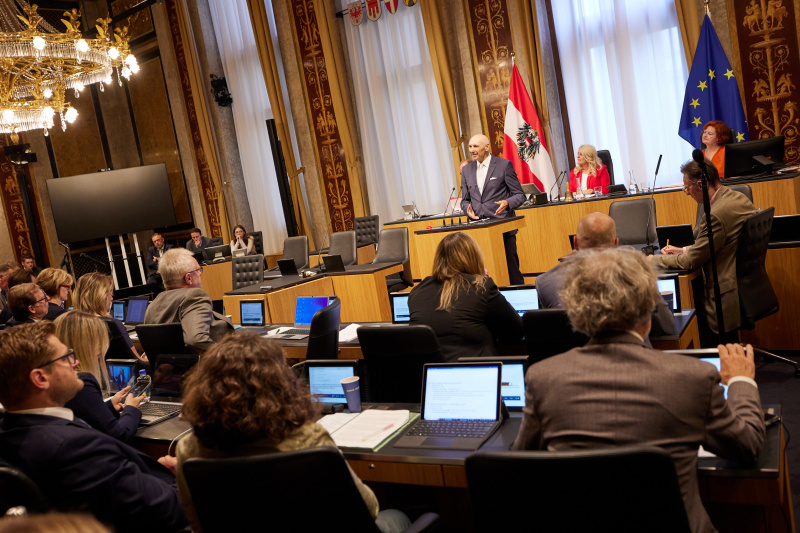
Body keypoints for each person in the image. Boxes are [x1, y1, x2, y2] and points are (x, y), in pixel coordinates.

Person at [513, 247, 765, 533]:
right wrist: (741, 382)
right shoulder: (693, 377)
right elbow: (746, 445)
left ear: (577, 310)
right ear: (648, 309)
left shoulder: (543, 378)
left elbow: (523, 467)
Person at [176, 333, 412, 533]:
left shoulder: (188, 448)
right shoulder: (310, 437)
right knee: (397, 517)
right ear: (279, 383)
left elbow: (198, 524)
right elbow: (369, 508)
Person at [0, 322, 187, 532]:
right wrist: (185, 477)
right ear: (40, 378)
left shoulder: (10, 432)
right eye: (66, 357)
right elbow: (166, 511)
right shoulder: (76, 449)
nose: (76, 362)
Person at [651, 159, 756, 337]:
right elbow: (718, 244)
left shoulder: (715, 215)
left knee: (685, 305)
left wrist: (653, 259)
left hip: (725, 292)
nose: (687, 193)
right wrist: (684, 250)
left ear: (699, 185)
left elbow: (692, 261)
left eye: (687, 188)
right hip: (747, 283)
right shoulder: (737, 197)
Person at [536, 212, 674, 343]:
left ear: (575, 242)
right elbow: (667, 326)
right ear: (616, 243)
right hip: (634, 361)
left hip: (573, 364)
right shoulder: (638, 271)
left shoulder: (545, 282)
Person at [408, 232, 523, 361]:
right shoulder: (481, 287)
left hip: (430, 376)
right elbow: (516, 331)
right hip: (475, 372)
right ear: (473, 257)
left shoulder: (417, 291)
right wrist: (487, 284)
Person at [54, 311, 144, 442]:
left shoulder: (56, 377)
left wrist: (109, 407)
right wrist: (131, 409)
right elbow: (119, 435)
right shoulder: (80, 383)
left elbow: (82, 416)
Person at [460, 134, 526, 285]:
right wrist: (466, 208)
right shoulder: (467, 170)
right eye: (470, 146)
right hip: (479, 230)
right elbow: (465, 200)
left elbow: (519, 195)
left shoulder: (504, 165)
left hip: (502, 226)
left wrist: (507, 202)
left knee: (511, 272)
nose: (472, 150)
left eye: (475, 146)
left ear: (486, 147)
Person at [144, 248, 233, 353]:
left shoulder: (153, 304)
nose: (200, 274)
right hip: (207, 366)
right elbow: (195, 340)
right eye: (198, 270)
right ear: (188, 278)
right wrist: (229, 357)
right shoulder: (195, 296)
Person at [73, 273, 146, 363]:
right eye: (109, 294)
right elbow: (137, 361)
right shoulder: (112, 324)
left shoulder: (72, 322)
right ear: (100, 297)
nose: (111, 298)